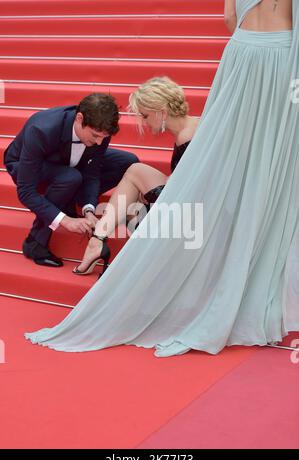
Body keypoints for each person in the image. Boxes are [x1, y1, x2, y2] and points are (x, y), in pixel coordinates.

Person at [25, 0, 299, 357]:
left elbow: (231, 20)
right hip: (280, 54)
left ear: (160, 110)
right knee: (272, 151)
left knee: (145, 168)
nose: (140, 125)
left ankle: (101, 240)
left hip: (243, 52)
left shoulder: (195, 130)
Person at [73, 77, 199, 275]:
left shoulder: (187, 136)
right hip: (191, 206)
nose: (144, 122)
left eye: (145, 116)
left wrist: (150, 190)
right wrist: (151, 190)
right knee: (130, 200)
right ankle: (104, 245)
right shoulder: (192, 126)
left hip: (194, 216)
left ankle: (98, 243)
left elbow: (187, 191)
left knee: (134, 177)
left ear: (162, 112)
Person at [4, 93, 139, 267]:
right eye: (96, 135)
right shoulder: (41, 130)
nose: (99, 143)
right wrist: (65, 221)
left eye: (103, 138)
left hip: (69, 160)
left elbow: (92, 173)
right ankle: (35, 242)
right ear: (79, 118)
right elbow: (26, 192)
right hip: (27, 164)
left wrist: (89, 209)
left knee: (128, 162)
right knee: (70, 177)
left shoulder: (100, 130)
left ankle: (71, 198)